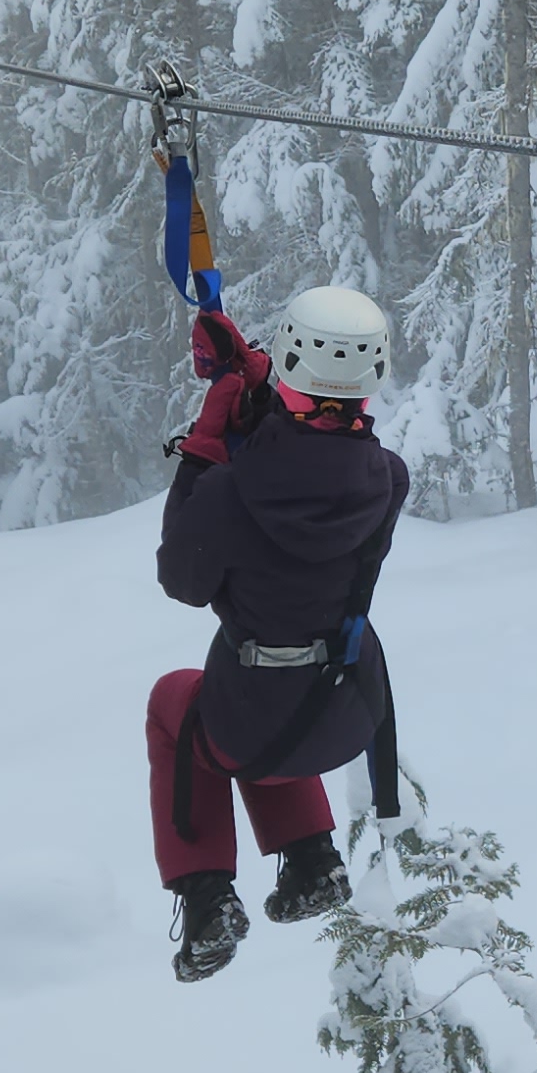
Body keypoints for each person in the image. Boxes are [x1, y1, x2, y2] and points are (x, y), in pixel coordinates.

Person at [146, 283, 409, 982]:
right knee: (259, 705)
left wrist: (205, 448)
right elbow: (313, 447)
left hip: (256, 721)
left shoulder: (233, 490)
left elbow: (182, 579)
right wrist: (256, 381)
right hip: (346, 711)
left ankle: (205, 897)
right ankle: (312, 858)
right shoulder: (388, 478)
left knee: (179, 704)